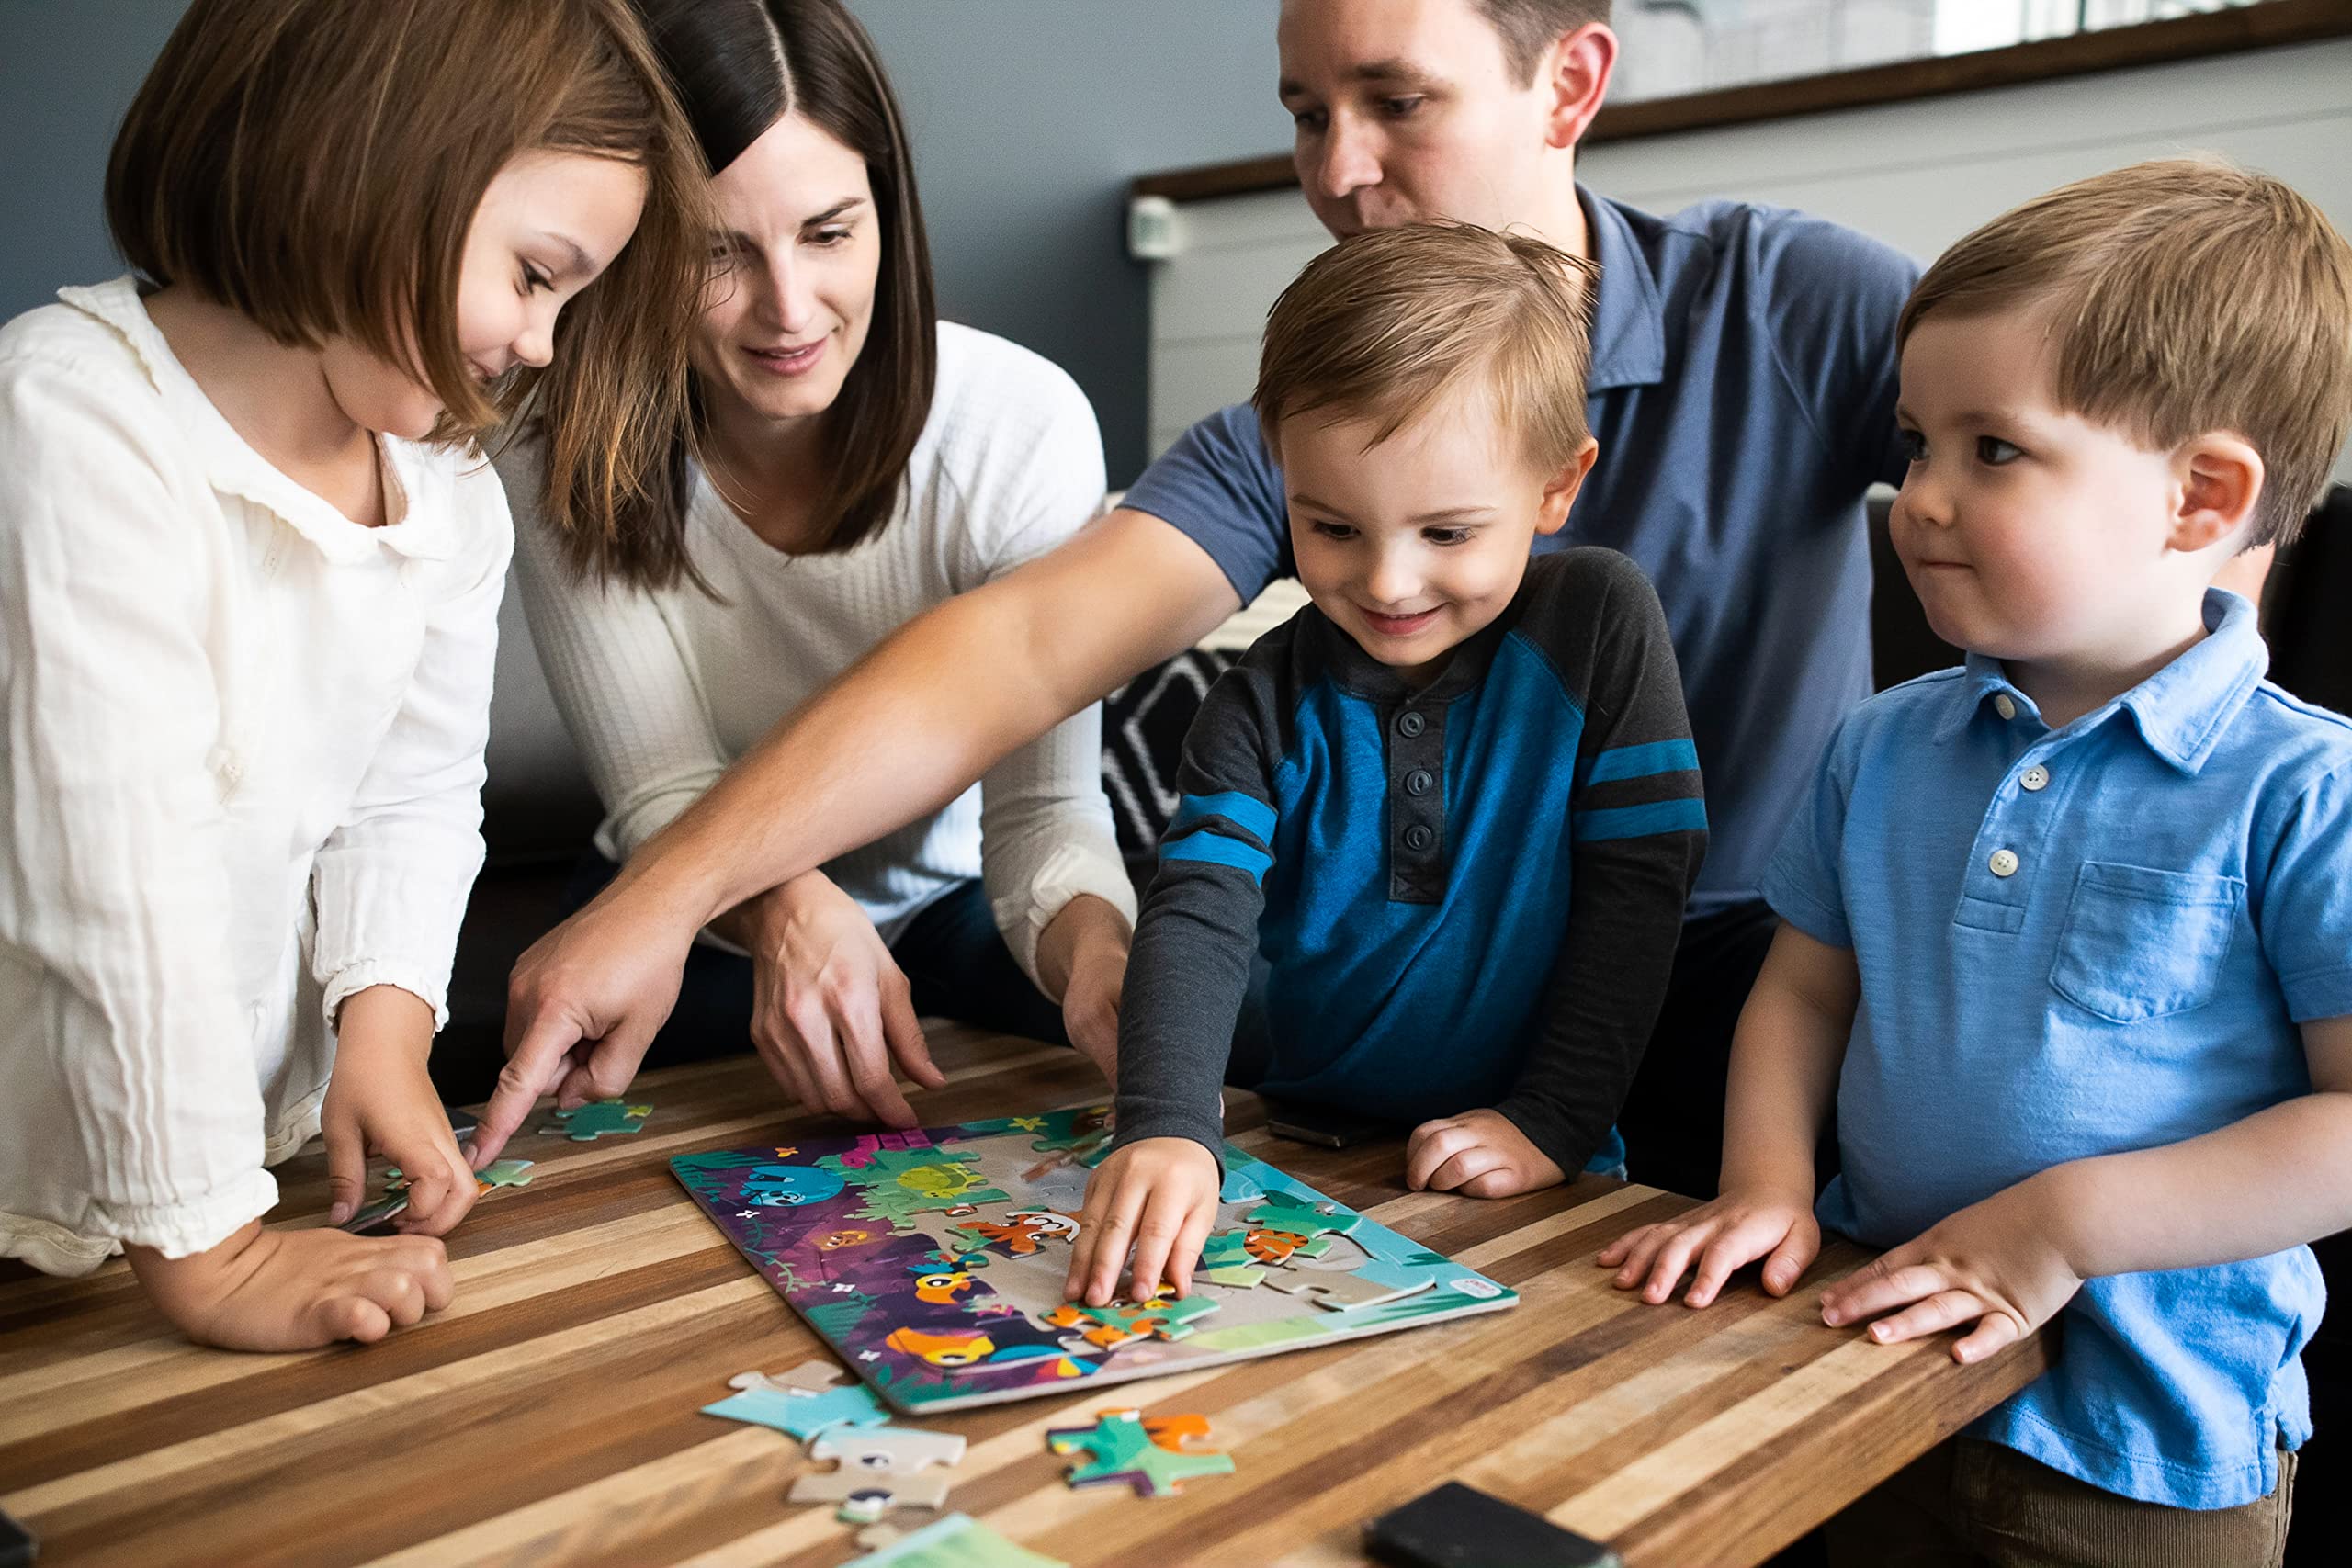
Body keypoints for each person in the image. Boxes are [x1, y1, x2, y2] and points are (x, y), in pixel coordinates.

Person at [480, 0, 1920, 1195]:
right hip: (1412, 1014)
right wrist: (666, 896)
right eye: (1305, 113)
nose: (1339, 171)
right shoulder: (1277, 441)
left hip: (1740, 979)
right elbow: (1023, 648)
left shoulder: (1789, 306)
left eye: (1398, 103)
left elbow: (2076, 441)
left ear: (1571, 82)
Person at [1599, 160, 2352, 1566]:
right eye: (1916, 442)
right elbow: (1805, 992)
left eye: (1990, 449)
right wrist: (1762, 1180)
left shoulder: (2303, 789)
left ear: (2200, 495)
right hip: (1868, 1367)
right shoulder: (1877, 745)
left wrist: (2062, 1224)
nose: (1918, 497)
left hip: (2138, 1451)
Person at [0, 0, 707, 1350]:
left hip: (235, 1171)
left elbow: (412, 795)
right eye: (535, 274)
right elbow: (110, 877)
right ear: (376, 163)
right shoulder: (71, 416)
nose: (542, 342)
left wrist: (384, 1024)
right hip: (63, 1179)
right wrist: (206, 1247)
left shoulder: (447, 499)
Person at [497, 0, 1136, 1134]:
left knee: (1229, 1024)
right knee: (553, 1111)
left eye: (829, 233)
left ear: (887, 216)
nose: (788, 310)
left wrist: (1102, 959)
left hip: (958, 905)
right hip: (685, 902)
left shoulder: (1017, 422)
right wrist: (789, 906)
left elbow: (1041, 821)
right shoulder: (558, 441)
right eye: (716, 253)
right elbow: (658, 789)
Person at [1066, 223, 1705, 1306]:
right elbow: (1199, 911)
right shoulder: (1257, 698)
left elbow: (1640, 891)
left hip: (1541, 1161)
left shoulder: (1599, 621)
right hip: (1309, 1146)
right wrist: (1168, 1126)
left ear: (1556, 489)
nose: (1389, 583)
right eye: (1332, 527)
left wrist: (1550, 1120)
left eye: (1448, 534)